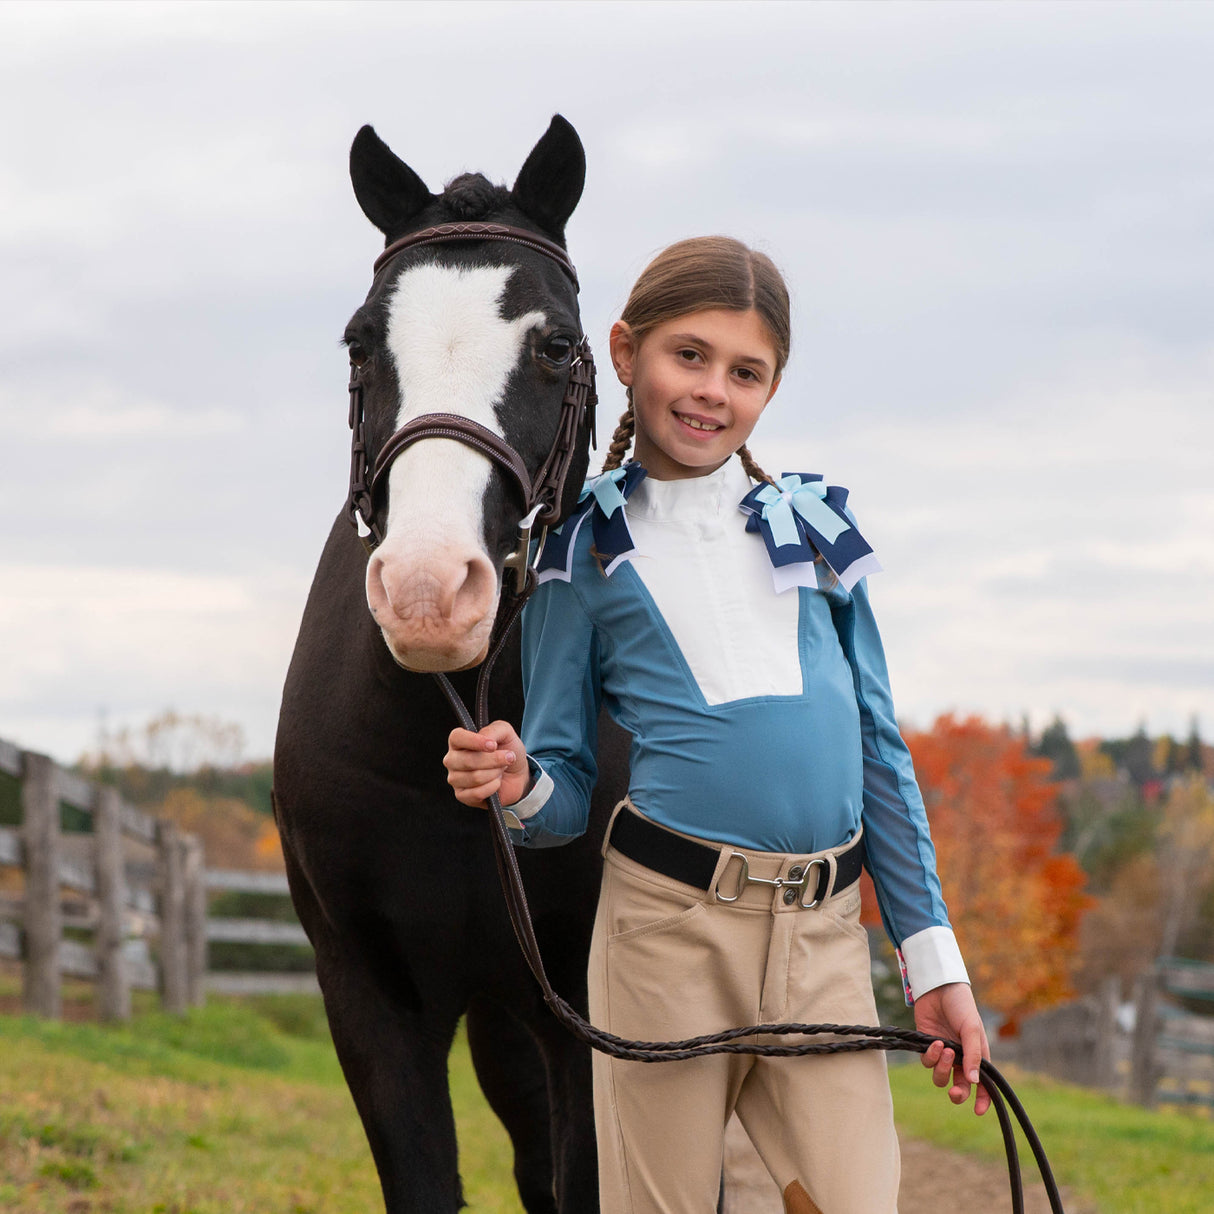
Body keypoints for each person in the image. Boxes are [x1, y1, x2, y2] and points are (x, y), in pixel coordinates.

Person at [444, 236, 989, 1214]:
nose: (710, 390)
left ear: (769, 390)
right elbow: (564, 783)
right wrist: (521, 780)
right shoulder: (581, 554)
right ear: (624, 351)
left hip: (821, 942)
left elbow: (878, 752)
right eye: (686, 355)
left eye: (744, 371)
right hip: (664, 936)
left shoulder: (810, 527)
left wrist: (931, 958)